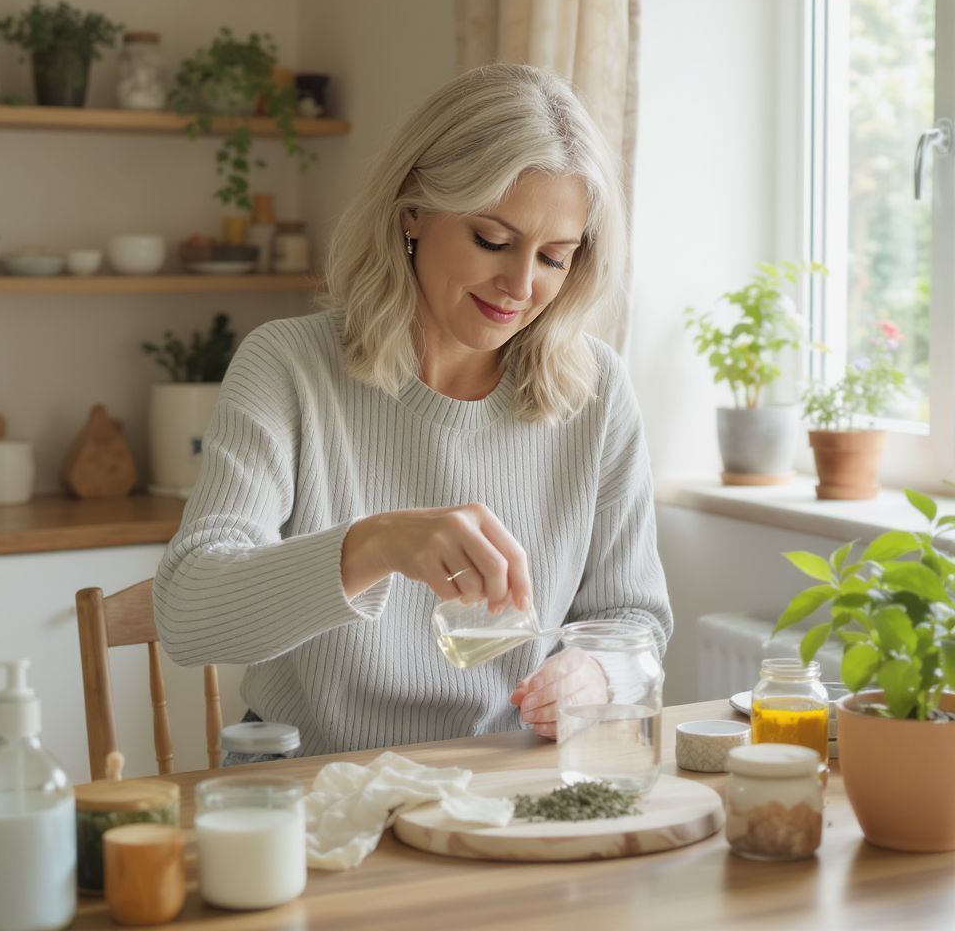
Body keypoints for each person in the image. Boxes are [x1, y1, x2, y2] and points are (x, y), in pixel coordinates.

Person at [153, 62, 672, 760]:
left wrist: (597, 672)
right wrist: (374, 544)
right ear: (413, 212)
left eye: (554, 258)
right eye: (493, 241)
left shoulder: (596, 390)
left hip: (502, 782)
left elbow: (635, 620)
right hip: (309, 779)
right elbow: (188, 615)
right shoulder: (287, 366)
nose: (520, 285)